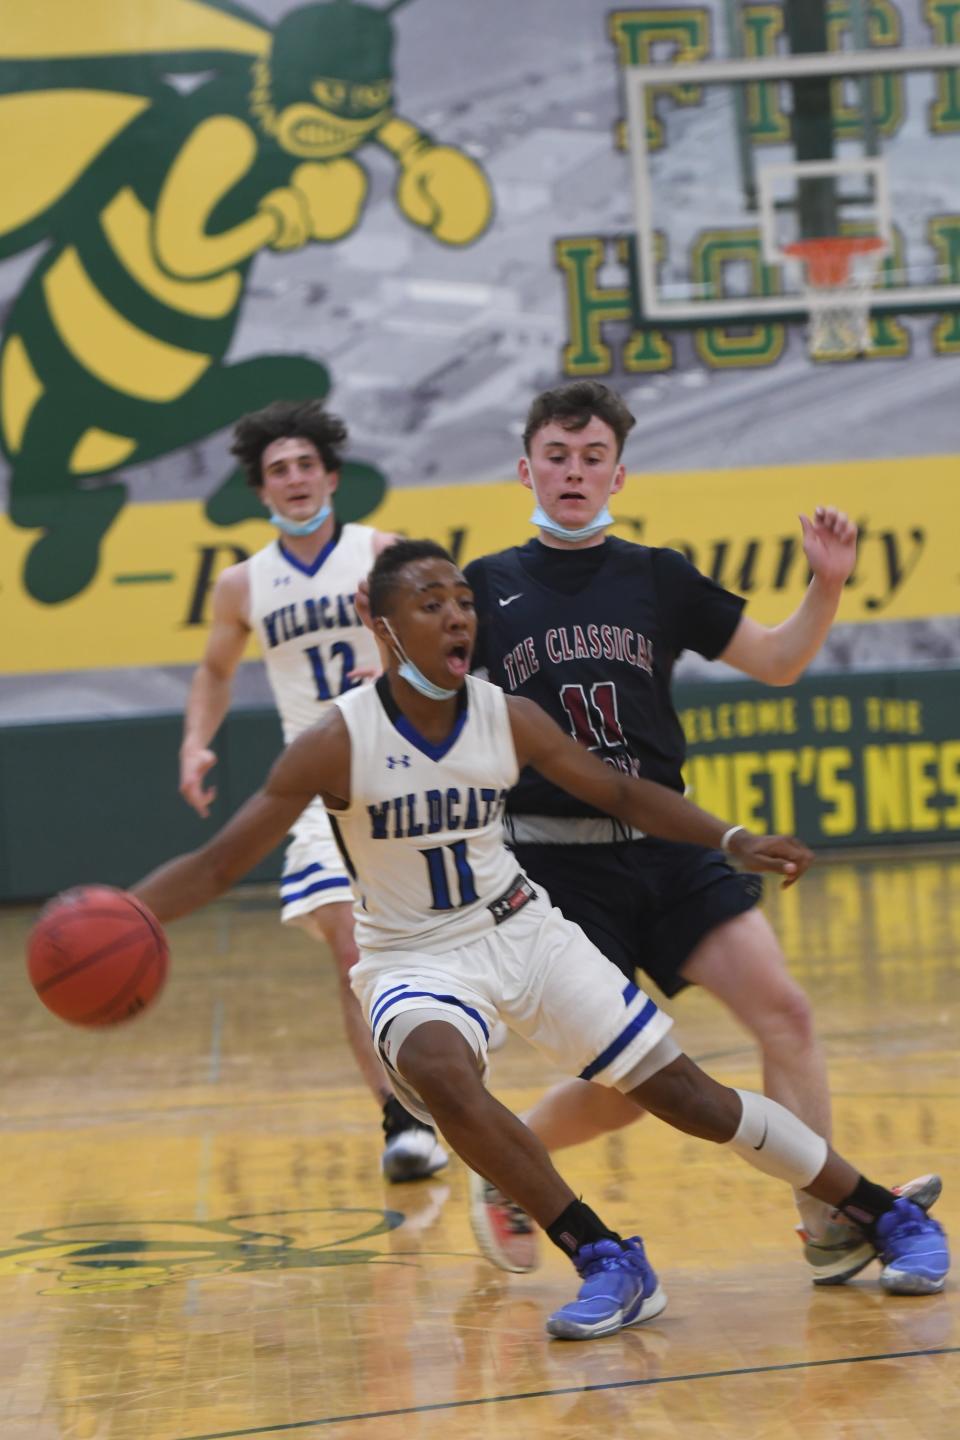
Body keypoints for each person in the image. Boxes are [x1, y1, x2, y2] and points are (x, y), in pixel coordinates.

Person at [131, 540, 948, 1341]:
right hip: (411, 955)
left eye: (462, 602)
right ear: (379, 623)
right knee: (437, 1068)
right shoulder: (337, 740)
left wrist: (730, 838)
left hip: (522, 928)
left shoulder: (507, 716)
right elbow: (214, 866)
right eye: (430, 603)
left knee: (689, 1099)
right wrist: (125, 912)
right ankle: (605, 1255)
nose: (457, 617)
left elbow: (623, 790)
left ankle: (880, 1209)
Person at [462, 379, 936, 1283]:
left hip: (671, 845)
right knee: (629, 1090)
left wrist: (826, 587)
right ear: (526, 468)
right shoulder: (485, 585)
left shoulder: (657, 575)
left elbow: (777, 659)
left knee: (785, 1013)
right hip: (554, 864)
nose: (574, 471)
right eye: (557, 457)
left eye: (592, 457)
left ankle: (829, 1221)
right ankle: (510, 1168)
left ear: (619, 475)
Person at [177, 399, 447, 1183]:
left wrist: (397, 667)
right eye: (277, 471)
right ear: (262, 491)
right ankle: (403, 1122)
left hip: (407, 776)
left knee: (428, 955)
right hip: (319, 787)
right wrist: (196, 741)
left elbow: (449, 641)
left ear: (331, 474)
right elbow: (216, 672)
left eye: (305, 465)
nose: (294, 480)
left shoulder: (383, 553)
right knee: (351, 953)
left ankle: (446, 1086)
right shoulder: (242, 584)